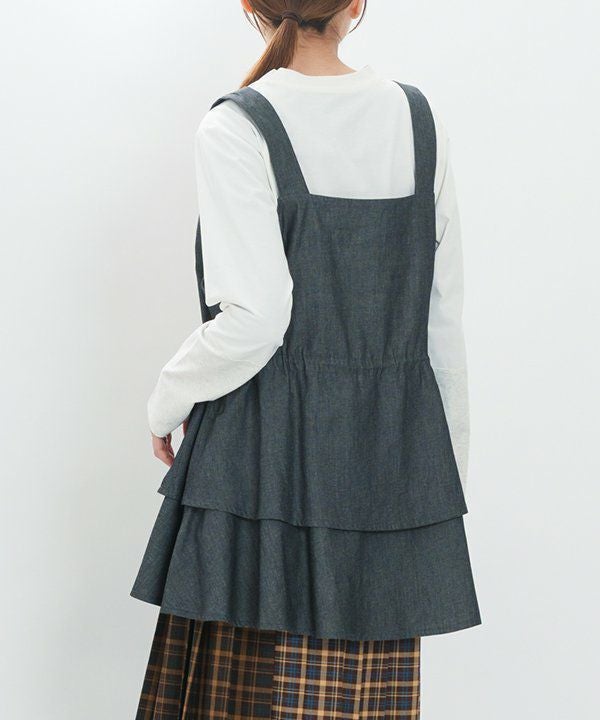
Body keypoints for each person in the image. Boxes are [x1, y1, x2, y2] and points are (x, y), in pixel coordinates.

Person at [131, 1, 482, 717]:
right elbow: (441, 324)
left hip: (261, 467)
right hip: (385, 470)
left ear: (251, 6)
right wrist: (434, 483)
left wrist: (166, 399)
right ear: (355, 5)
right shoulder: (419, 122)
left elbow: (258, 319)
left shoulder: (238, 125)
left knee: (242, 698)